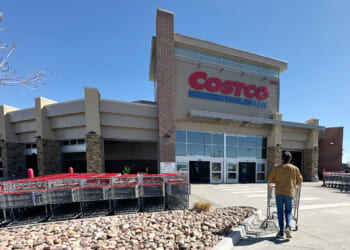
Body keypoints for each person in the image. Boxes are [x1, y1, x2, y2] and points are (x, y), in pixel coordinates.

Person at [268, 151, 303, 239]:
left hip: (279, 192)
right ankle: (288, 226)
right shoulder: (294, 168)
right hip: (289, 192)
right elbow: (300, 180)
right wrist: (294, 184)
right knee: (288, 211)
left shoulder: (277, 168)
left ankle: (281, 232)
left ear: (282, 159)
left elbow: (269, 180)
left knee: (280, 212)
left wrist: (275, 181)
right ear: (290, 159)